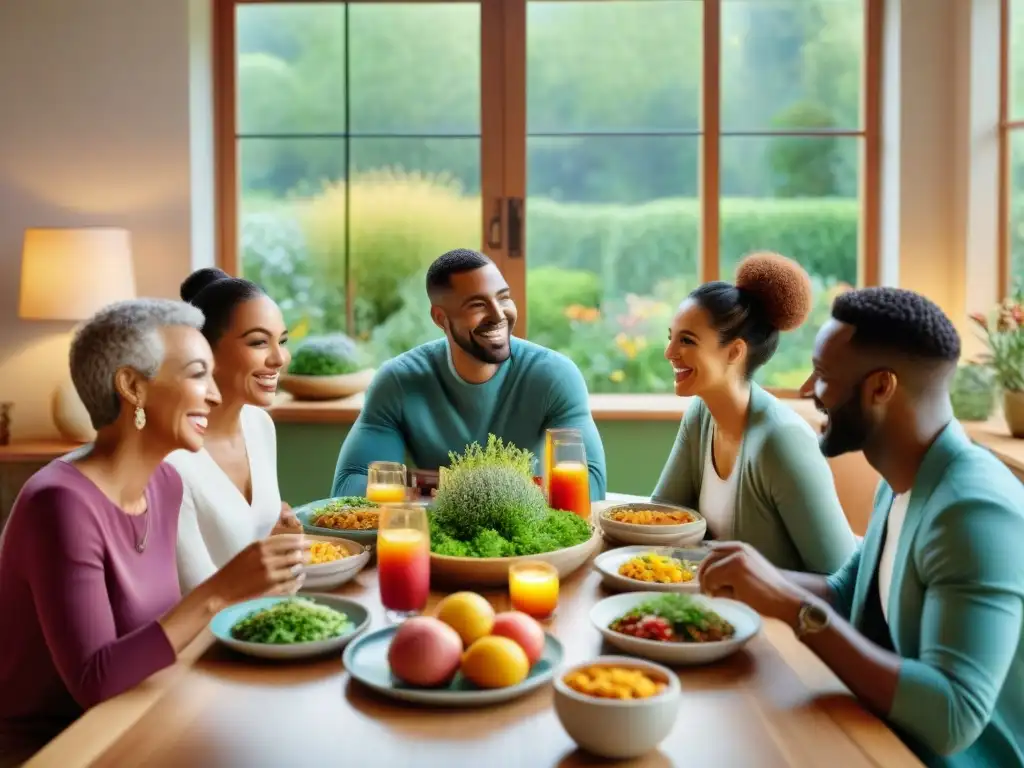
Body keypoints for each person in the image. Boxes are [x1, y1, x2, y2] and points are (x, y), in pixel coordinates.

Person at [698, 287, 1024, 767]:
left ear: (880, 388)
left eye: (824, 376)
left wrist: (791, 607)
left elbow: (954, 718)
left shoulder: (973, 512)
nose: (808, 390)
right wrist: (730, 573)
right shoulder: (900, 480)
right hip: (881, 736)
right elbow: (844, 594)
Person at [0, 300, 307, 764]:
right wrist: (222, 591)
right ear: (132, 386)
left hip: (142, 712)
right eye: (196, 374)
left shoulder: (164, 485)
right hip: (60, 748)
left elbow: (160, 635)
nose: (215, 396)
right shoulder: (58, 503)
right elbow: (94, 680)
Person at [331, 248, 606, 499]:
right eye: (477, 305)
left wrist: (433, 484)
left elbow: (589, 487)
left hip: (533, 540)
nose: (498, 314)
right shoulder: (398, 381)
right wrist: (506, 488)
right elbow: (349, 486)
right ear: (440, 318)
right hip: (438, 541)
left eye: (504, 298)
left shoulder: (554, 376)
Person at [651, 252, 856, 574]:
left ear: (734, 351)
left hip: (776, 620)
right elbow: (662, 516)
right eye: (671, 338)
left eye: (686, 341)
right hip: (710, 606)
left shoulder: (782, 440)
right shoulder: (701, 413)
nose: (669, 353)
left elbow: (842, 578)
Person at [169, 268, 299, 594]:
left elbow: (248, 544)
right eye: (258, 342)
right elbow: (194, 596)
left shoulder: (259, 425)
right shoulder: (172, 458)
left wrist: (278, 535)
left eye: (281, 341)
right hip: (206, 637)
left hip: (267, 615)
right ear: (204, 350)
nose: (279, 358)